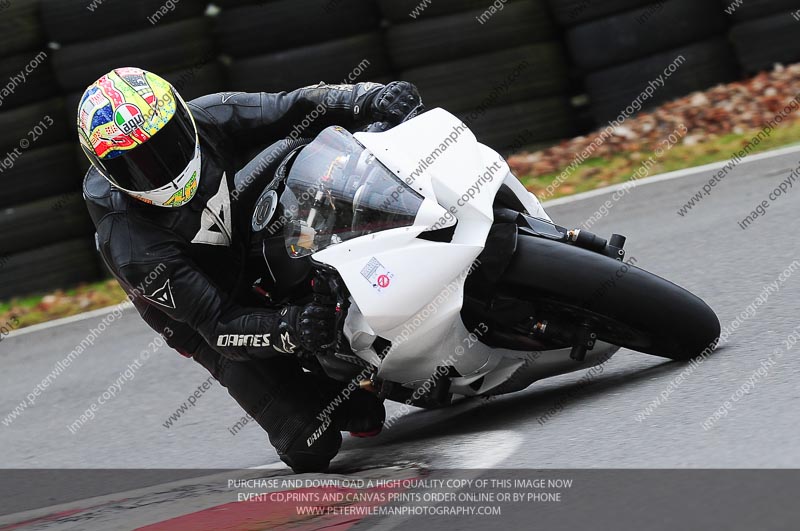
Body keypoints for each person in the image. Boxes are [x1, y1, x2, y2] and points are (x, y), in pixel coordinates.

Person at [78, 67, 423, 472]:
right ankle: (337, 385)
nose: (161, 169)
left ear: (182, 119)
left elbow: (294, 104)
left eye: (167, 145)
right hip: (212, 318)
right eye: (136, 166)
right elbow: (218, 324)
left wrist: (368, 98)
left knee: (304, 157)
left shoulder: (207, 116)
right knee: (313, 444)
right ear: (108, 174)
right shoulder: (130, 242)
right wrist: (291, 328)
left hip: (250, 234)